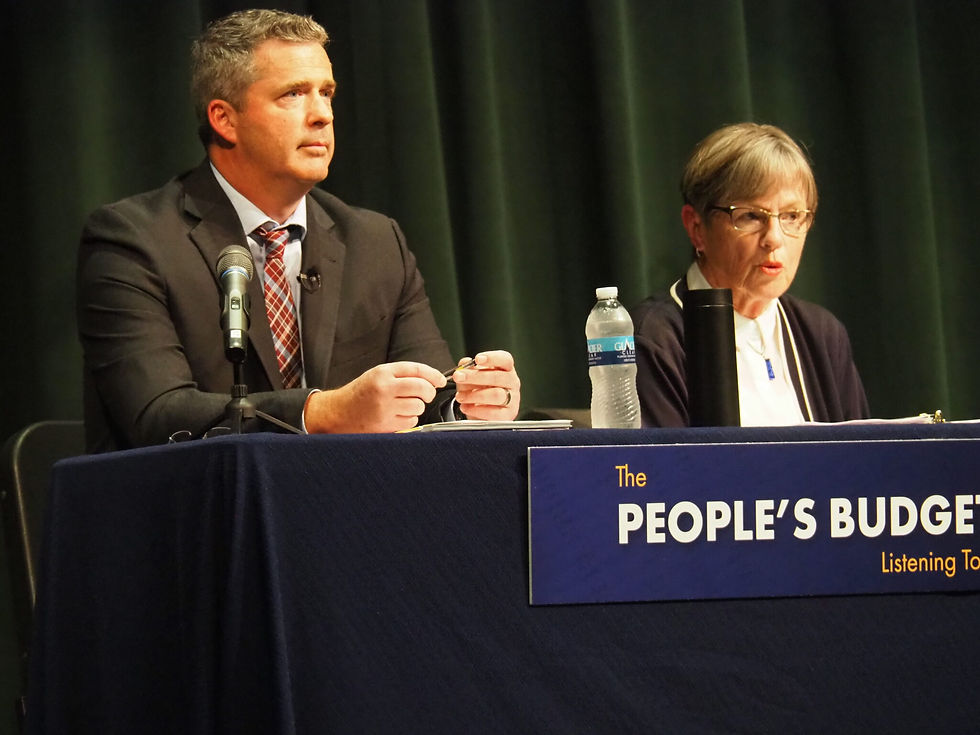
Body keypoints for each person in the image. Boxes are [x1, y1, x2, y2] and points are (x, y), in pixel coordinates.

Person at [77, 9, 521, 452]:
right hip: (194, 508)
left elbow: (426, 398)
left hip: (349, 508)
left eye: (326, 93)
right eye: (293, 94)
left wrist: (467, 405)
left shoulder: (375, 241)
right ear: (224, 119)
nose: (322, 115)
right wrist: (321, 412)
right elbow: (157, 415)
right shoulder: (134, 241)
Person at [630, 122, 868, 427]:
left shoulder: (821, 334)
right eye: (751, 216)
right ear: (696, 227)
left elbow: (860, 464)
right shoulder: (655, 339)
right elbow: (667, 472)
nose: (774, 238)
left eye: (792, 216)